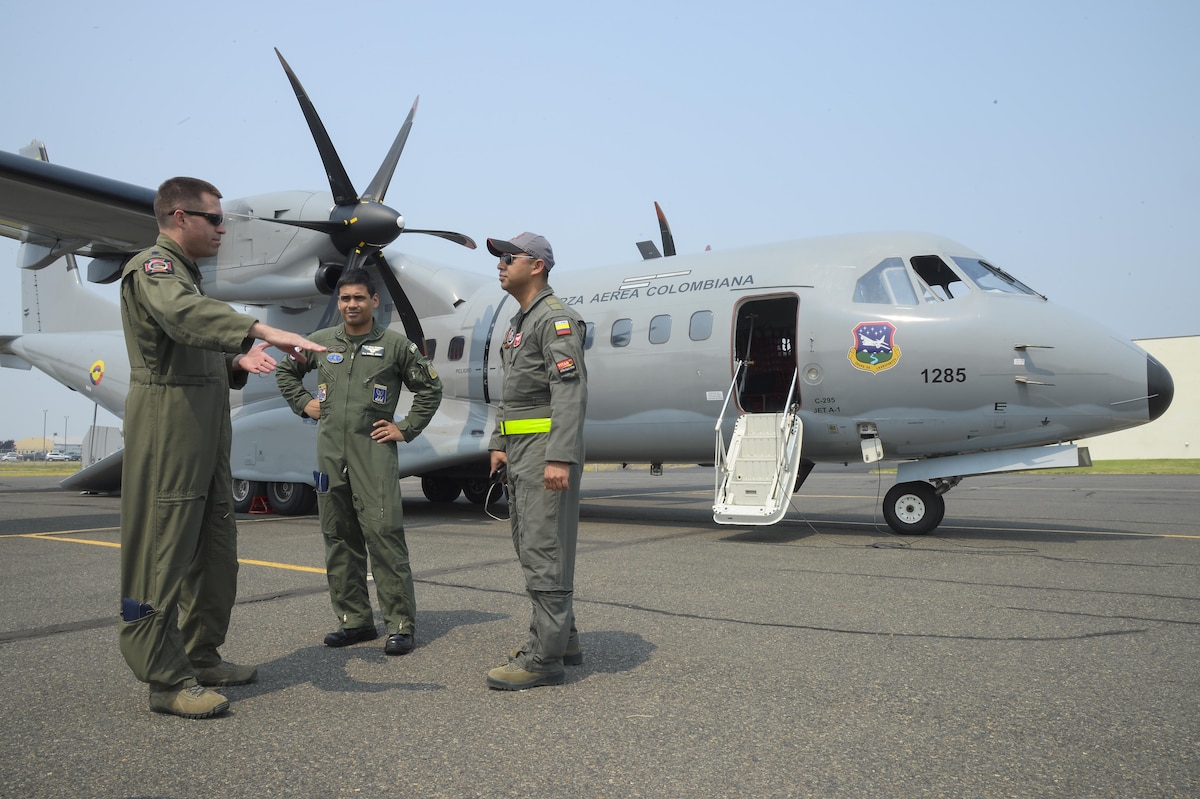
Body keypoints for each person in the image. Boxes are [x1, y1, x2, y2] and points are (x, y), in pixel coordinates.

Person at [119, 176, 326, 719]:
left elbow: (191, 340)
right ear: (180, 217)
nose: (223, 227)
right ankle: (164, 680)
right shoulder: (154, 269)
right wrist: (265, 331)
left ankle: (200, 654)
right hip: (171, 425)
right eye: (214, 218)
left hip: (208, 426)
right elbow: (182, 321)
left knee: (214, 550)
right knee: (165, 549)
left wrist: (235, 361)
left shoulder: (191, 280)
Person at [275, 268, 442, 657]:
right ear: (339, 303)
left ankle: (400, 624)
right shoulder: (319, 343)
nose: (352, 305)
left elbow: (430, 388)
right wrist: (303, 403)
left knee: (384, 536)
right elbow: (286, 371)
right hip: (330, 454)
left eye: (359, 298)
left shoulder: (396, 346)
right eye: (345, 298)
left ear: (374, 301)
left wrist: (406, 428)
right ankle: (354, 621)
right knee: (338, 538)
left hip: (374, 453)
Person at [485, 232, 588, 690]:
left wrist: (560, 457)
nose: (500, 265)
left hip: (547, 454)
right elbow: (514, 391)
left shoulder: (555, 320)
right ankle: (562, 639)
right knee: (532, 543)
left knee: (544, 549)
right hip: (523, 452)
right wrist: (499, 441)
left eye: (509, 258)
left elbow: (569, 390)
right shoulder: (519, 322)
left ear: (538, 266)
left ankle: (544, 659)